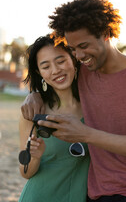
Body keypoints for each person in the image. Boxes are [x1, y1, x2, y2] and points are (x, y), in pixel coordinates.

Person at [21, 0, 126, 202]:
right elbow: (56, 75)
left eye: (84, 45)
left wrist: (85, 134)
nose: (79, 55)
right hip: (94, 192)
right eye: (72, 49)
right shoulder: (85, 70)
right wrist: (34, 95)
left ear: (106, 34)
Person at [18, 35, 90, 202]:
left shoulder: (93, 108)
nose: (55, 70)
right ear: (39, 72)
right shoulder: (33, 112)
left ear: (73, 59)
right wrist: (34, 156)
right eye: (46, 66)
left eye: (60, 61)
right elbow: (24, 171)